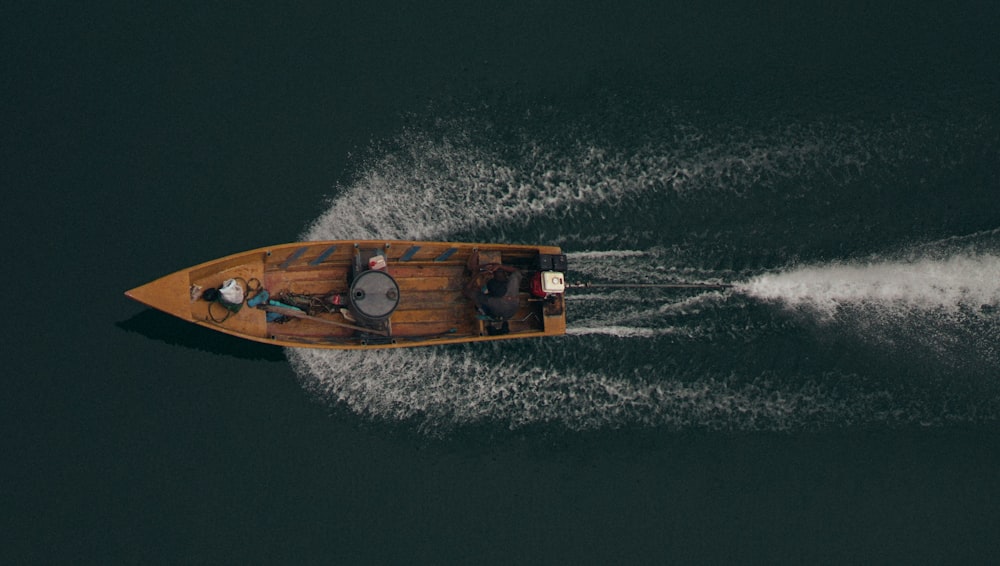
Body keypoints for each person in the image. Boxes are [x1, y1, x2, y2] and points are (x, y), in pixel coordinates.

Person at [463, 251, 522, 320]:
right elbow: (517, 271)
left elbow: (465, 291)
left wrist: (478, 274)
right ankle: (494, 268)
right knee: (498, 269)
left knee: (474, 290)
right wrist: (499, 266)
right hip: (512, 308)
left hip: (497, 313)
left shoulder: (491, 301)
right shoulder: (512, 287)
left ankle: (474, 269)